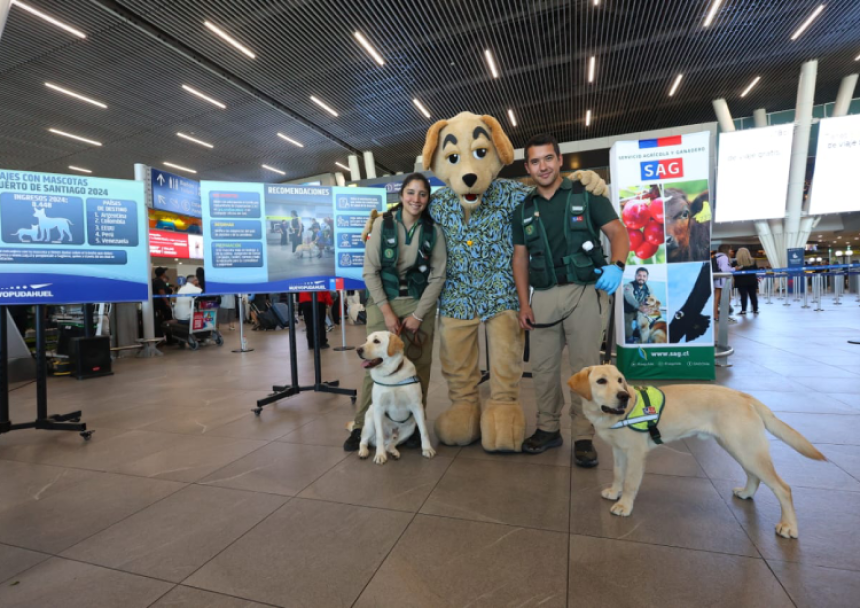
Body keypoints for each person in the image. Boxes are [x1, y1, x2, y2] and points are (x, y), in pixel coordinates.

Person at [512, 134, 629, 464]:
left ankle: (582, 435)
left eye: (548, 158)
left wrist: (618, 266)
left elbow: (618, 232)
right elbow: (519, 259)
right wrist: (524, 303)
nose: (543, 166)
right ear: (528, 167)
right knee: (543, 368)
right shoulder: (523, 209)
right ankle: (548, 429)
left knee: (585, 370)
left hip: (584, 292)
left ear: (560, 160)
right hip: (544, 295)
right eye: (535, 161)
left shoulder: (588, 195)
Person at [344, 173, 447, 452]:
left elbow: (438, 277)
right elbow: (370, 271)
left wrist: (418, 315)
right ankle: (360, 427)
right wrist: (387, 313)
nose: (416, 199)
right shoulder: (382, 225)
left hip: (418, 303)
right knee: (374, 365)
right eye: (411, 193)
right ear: (401, 195)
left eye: (422, 194)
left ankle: (413, 428)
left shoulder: (433, 231)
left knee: (418, 367)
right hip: (383, 302)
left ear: (427, 199)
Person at [623, 267, 650, 343]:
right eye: (639, 275)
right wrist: (639, 307)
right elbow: (629, 297)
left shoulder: (648, 288)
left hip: (639, 311)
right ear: (635, 276)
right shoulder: (628, 286)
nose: (641, 278)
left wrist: (649, 308)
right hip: (627, 311)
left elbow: (651, 298)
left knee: (645, 324)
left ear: (647, 278)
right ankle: (629, 338)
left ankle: (642, 340)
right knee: (627, 333)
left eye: (644, 276)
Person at [711, 244, 734, 322]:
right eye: (730, 249)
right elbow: (724, 269)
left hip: (716, 280)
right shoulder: (724, 257)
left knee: (716, 298)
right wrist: (734, 269)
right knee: (726, 298)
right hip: (723, 280)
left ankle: (715, 315)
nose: (731, 251)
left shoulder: (716, 256)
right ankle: (724, 315)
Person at [734, 247, 759, 315]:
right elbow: (756, 270)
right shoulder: (753, 261)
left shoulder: (735, 262)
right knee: (753, 295)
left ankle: (743, 310)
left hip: (741, 281)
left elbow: (734, 272)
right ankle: (755, 309)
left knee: (743, 296)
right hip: (752, 281)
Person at [151, 267, 174, 341]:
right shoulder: (159, 281)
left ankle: (164, 338)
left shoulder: (155, 280)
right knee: (167, 321)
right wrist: (167, 303)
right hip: (161, 305)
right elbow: (161, 292)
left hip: (157, 305)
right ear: (163, 273)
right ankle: (169, 338)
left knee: (160, 321)